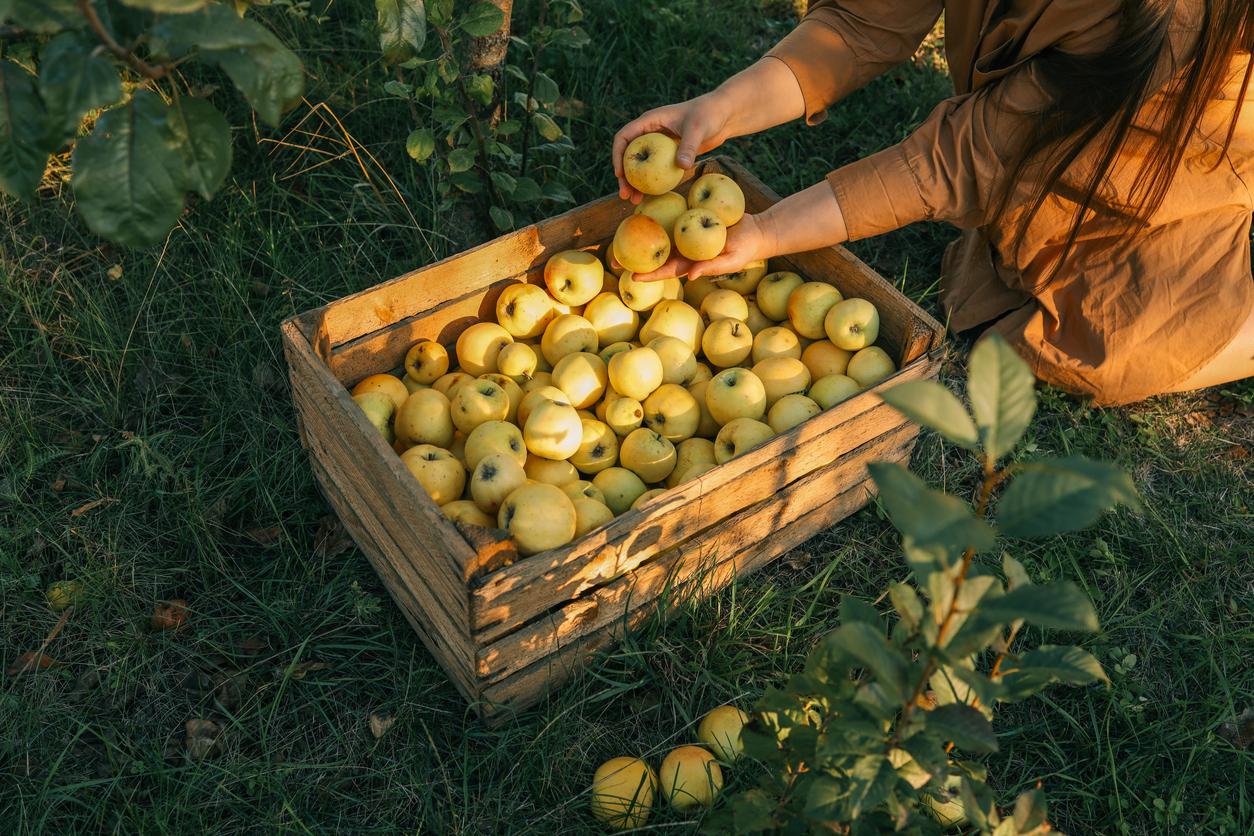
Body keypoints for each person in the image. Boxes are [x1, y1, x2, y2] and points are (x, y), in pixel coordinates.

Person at [612, 0, 1254, 405]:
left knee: (1101, 345)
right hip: (1046, 139)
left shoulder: (1160, 13)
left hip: (1162, 151)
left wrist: (769, 232)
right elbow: (864, 22)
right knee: (987, 292)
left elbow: (960, 158)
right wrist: (719, 109)